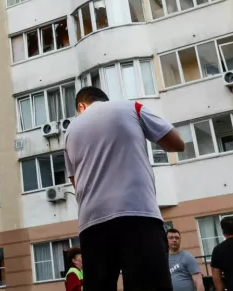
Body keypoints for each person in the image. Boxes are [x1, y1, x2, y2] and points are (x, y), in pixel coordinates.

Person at [64, 86, 186, 291]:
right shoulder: (131, 108)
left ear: (81, 106)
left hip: (92, 223)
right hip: (138, 213)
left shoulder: (70, 131)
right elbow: (176, 143)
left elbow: (75, 181)